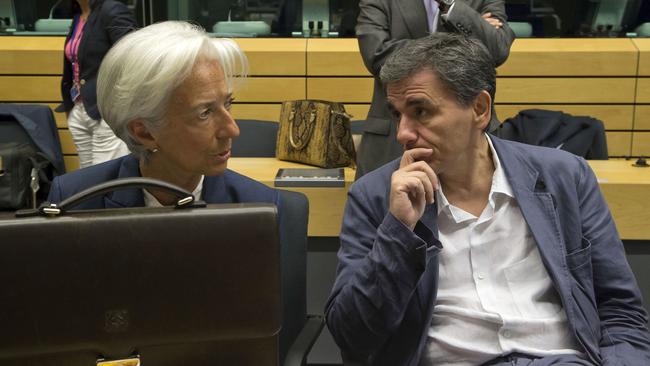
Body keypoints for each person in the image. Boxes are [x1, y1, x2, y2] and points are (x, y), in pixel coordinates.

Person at [325, 33, 650, 366]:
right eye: (397, 114)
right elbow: (353, 338)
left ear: (479, 109)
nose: (403, 133)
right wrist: (398, 232)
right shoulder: (377, 196)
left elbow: (618, 309)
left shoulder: (564, 176)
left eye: (420, 111)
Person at [47, 20, 280, 214]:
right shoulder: (73, 202)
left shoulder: (263, 207)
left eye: (227, 103)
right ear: (144, 132)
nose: (232, 130)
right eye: (205, 112)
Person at [355, 0, 515, 179]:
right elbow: (376, 54)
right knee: (389, 204)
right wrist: (468, 32)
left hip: (468, 138)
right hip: (392, 137)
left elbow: (497, 48)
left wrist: (450, 5)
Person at [56, 0, 135, 169]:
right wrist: (71, 110)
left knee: (105, 177)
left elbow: (133, 57)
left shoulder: (111, 9)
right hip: (80, 107)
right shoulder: (79, 14)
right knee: (88, 176)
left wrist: (117, 105)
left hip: (107, 110)